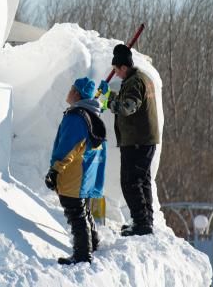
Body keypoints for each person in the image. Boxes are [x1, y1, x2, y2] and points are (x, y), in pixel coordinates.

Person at [99, 43, 160, 236]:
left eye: (116, 70)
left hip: (136, 140)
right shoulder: (141, 78)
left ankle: (141, 223)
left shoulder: (134, 82)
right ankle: (145, 220)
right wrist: (111, 94)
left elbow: (128, 107)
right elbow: (131, 100)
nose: (115, 74)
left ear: (123, 67)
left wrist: (108, 101)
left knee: (130, 182)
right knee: (142, 181)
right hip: (145, 139)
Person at [45, 76, 107, 265]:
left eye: (72, 88)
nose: (69, 91)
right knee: (83, 210)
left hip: (74, 175)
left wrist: (55, 171)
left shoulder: (75, 118)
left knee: (76, 213)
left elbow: (68, 148)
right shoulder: (92, 114)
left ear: (77, 93)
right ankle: (92, 242)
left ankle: (82, 255)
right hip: (86, 174)